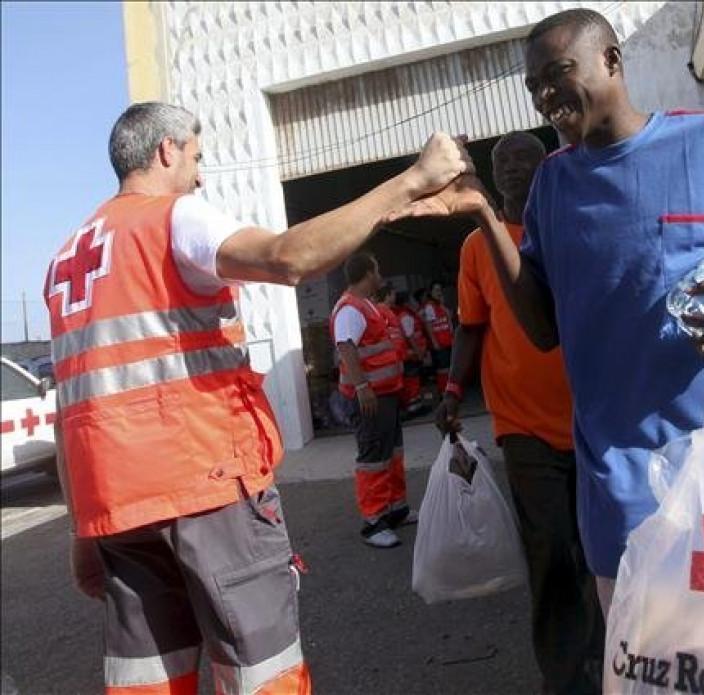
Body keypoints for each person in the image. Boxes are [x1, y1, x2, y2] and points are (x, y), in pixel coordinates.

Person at [392, 8, 704, 616]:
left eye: (557, 74)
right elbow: (541, 327)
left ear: (611, 60)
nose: (546, 96)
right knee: (647, 664)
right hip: (618, 482)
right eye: (534, 87)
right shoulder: (553, 187)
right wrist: (481, 212)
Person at [44, 101, 471, 694]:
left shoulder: (67, 261)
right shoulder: (173, 218)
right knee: (259, 668)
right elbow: (287, 257)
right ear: (167, 150)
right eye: (196, 157)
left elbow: (71, 410)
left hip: (117, 509)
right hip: (204, 486)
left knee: (149, 679)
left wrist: (80, 532)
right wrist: (410, 183)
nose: (199, 175)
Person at [436, 131, 604, 695]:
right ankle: (564, 680)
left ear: (547, 166)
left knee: (602, 549)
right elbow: (470, 325)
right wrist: (454, 390)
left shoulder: (573, 224)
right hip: (524, 426)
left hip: (595, 418)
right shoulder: (475, 248)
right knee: (552, 551)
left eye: (524, 159)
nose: (511, 169)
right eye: (502, 162)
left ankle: (615, 664)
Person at [330, 253, 417, 548]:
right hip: (370, 399)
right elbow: (345, 346)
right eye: (377, 269)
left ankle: (396, 510)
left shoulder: (367, 306)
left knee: (392, 452)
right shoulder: (351, 309)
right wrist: (363, 387)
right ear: (368, 273)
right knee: (373, 458)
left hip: (385, 395)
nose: (380, 275)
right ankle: (373, 522)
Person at [394, 290, 429, 416]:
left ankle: (414, 406)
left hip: (409, 354)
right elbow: (410, 337)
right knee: (412, 382)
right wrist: (419, 353)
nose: (414, 302)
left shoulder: (404, 315)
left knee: (412, 381)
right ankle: (414, 408)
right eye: (411, 300)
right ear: (406, 302)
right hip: (410, 355)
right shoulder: (406, 316)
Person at [421, 280, 454, 392]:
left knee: (450, 368)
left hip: (448, 342)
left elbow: (449, 320)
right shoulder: (429, 307)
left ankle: (450, 392)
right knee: (443, 370)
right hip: (439, 344)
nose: (438, 292)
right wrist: (435, 343)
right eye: (436, 290)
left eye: (440, 290)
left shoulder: (441, 306)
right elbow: (428, 326)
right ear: (431, 292)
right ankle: (444, 392)